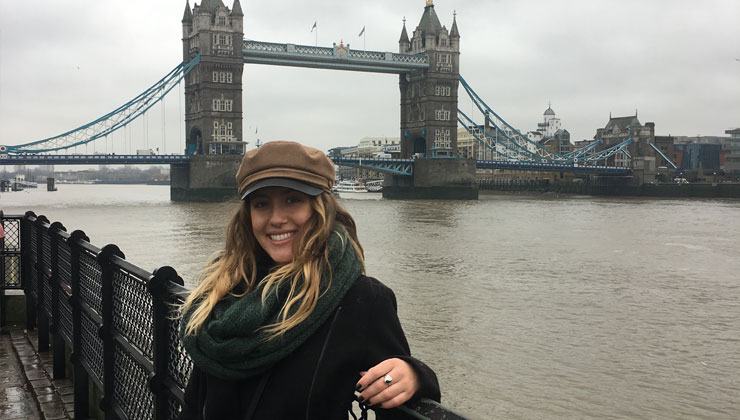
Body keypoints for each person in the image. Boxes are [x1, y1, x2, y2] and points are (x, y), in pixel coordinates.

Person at [178, 141, 440, 420]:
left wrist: (415, 376)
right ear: (248, 216)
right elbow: (194, 407)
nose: (277, 218)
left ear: (320, 209)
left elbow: (400, 407)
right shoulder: (224, 294)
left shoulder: (362, 301)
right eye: (262, 204)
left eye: (293, 200)